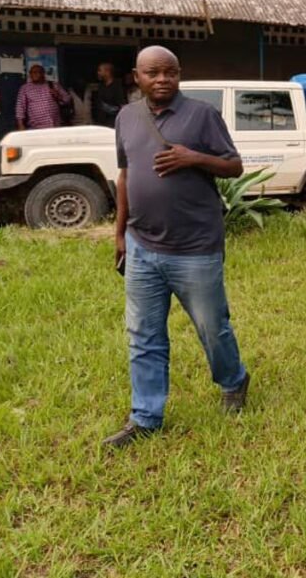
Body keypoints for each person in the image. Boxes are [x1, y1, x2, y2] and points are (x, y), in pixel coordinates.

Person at [103, 45, 249, 449]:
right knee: (143, 333)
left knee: (211, 327)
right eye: (153, 73)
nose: (162, 79)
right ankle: (146, 416)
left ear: (179, 74)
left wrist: (193, 157)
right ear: (137, 76)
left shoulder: (202, 115)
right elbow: (125, 176)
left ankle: (234, 380)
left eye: (169, 72)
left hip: (195, 247)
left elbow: (234, 166)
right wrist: (119, 234)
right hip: (141, 245)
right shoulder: (126, 118)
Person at [15, 64, 70, 130]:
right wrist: (20, 125)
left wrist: (58, 96)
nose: (33, 74)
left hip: (55, 125)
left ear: (43, 73)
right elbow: (20, 107)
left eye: (36, 72)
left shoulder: (53, 85)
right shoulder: (25, 88)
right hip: (36, 127)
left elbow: (67, 99)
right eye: (31, 72)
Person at [92, 62, 126, 127]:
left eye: (100, 70)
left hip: (113, 123)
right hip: (101, 123)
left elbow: (122, 106)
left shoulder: (117, 85)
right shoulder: (101, 86)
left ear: (107, 72)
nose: (98, 73)